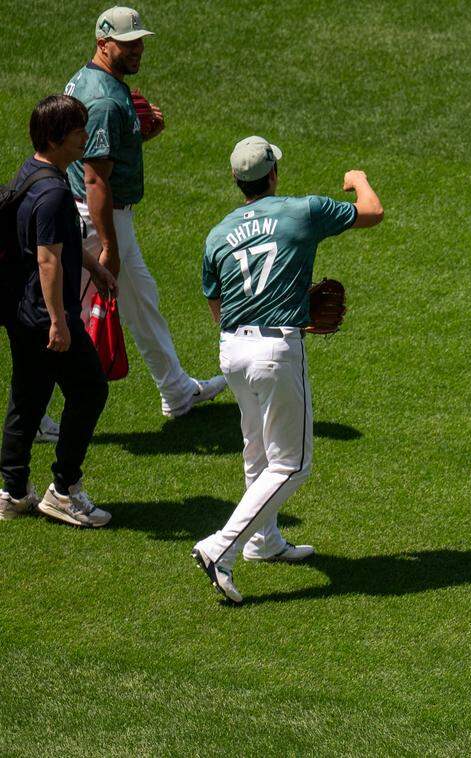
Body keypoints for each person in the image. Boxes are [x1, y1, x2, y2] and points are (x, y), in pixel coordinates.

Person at [191, 137, 383, 603]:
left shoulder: (218, 234)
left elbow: (219, 311)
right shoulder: (302, 210)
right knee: (292, 463)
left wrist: (288, 307)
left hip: (232, 352)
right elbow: (372, 211)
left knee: (257, 452)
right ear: (273, 175)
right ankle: (221, 548)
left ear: (238, 182)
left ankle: (264, 540)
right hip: (275, 352)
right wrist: (357, 178)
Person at [63, 6, 226, 418]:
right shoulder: (101, 99)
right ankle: (36, 417)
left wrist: (135, 136)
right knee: (71, 317)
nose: (137, 50)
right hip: (97, 221)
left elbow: (97, 153)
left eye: (139, 42)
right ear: (104, 43)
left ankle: (176, 391)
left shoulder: (94, 81)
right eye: (127, 43)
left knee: (141, 300)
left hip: (104, 217)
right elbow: (96, 178)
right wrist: (109, 246)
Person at [0, 95, 116, 526]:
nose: (85, 136)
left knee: (26, 399)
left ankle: (12, 492)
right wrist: (59, 321)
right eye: (78, 131)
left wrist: (93, 267)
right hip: (45, 315)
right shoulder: (51, 193)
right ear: (55, 138)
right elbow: (47, 258)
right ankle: (64, 490)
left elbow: (55, 243)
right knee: (90, 389)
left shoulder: (32, 173)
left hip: (21, 310)